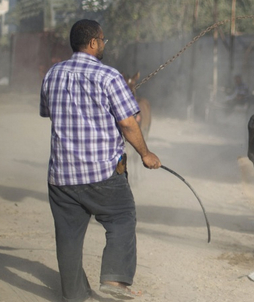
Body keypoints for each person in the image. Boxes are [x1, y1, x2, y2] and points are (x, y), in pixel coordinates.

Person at [40, 19, 161, 301]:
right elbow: (129, 124)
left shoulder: (52, 74)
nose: (104, 44)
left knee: (68, 237)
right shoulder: (109, 77)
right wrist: (146, 154)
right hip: (102, 174)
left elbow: (46, 111)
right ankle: (115, 279)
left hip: (61, 176)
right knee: (121, 217)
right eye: (103, 40)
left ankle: (73, 295)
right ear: (93, 43)